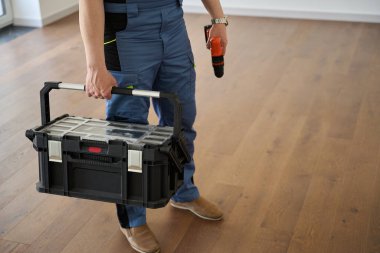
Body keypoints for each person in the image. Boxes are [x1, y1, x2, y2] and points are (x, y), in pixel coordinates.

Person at [79, 0, 228, 252]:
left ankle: (183, 190)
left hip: (172, 22)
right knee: (128, 134)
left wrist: (218, 18)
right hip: (124, 28)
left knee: (181, 119)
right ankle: (133, 219)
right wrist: (95, 65)